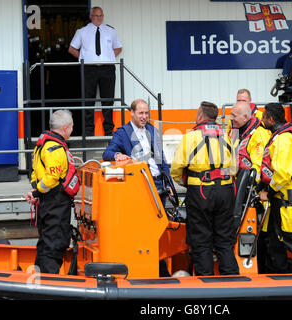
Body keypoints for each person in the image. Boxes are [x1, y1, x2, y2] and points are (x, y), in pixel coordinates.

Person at [170, 101, 239, 276]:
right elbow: (234, 168)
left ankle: (205, 285)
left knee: (201, 241)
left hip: (200, 192)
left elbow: (176, 169)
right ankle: (233, 284)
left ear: (200, 116)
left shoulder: (190, 137)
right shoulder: (227, 136)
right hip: (225, 191)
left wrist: (186, 182)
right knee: (225, 241)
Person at [25, 110, 78, 274]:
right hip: (55, 203)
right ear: (66, 127)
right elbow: (52, 177)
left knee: (45, 243)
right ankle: (49, 283)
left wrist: (35, 189)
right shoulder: (55, 148)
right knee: (55, 244)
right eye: (72, 127)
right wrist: (36, 193)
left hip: (48, 203)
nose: (72, 130)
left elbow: (34, 171)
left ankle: (40, 279)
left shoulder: (42, 145)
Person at [258, 103, 292, 274]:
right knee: (274, 240)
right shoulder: (279, 136)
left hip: (286, 197)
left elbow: (283, 173)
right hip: (279, 196)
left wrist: (269, 191)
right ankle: (277, 275)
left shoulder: (283, 139)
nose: (262, 120)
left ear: (271, 119)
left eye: (264, 117)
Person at [69, 6, 123, 136]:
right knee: (88, 100)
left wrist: (107, 57)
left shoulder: (110, 31)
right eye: (96, 16)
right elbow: (72, 49)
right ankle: (88, 131)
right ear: (91, 16)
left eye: (101, 16)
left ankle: (109, 130)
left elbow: (118, 48)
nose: (98, 18)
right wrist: (84, 58)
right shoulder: (82, 32)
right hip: (89, 69)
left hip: (107, 69)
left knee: (108, 99)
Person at [102, 99, 171, 194]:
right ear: (132, 112)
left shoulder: (152, 130)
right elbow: (107, 153)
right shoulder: (122, 133)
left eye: (146, 113)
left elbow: (162, 159)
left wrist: (169, 184)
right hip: (141, 185)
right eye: (141, 113)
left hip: (160, 184)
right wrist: (117, 155)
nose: (144, 117)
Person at [229, 101, 271, 176]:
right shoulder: (235, 129)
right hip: (234, 176)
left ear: (245, 117)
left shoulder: (259, 135)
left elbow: (258, 166)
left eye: (234, 116)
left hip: (249, 182)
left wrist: (250, 182)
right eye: (231, 115)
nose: (230, 118)